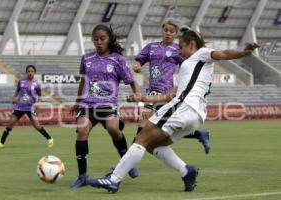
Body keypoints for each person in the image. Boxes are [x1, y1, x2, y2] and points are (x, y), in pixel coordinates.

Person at [87, 26, 260, 193]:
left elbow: (222, 54)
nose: (179, 51)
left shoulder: (202, 54)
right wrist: (143, 98)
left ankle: (114, 179)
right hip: (194, 113)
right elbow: (171, 95)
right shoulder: (191, 68)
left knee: (142, 138)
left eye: (181, 47)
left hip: (184, 107)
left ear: (192, 45)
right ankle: (186, 171)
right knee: (153, 145)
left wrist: (243, 52)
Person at [69, 24, 141, 189]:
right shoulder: (86, 58)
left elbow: (132, 81)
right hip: (87, 103)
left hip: (108, 104)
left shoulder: (118, 59)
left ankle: (127, 162)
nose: (99, 42)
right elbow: (83, 81)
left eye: (102, 39)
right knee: (82, 131)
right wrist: (77, 101)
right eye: (96, 39)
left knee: (113, 129)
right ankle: (82, 177)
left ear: (109, 40)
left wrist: (138, 99)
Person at [132, 19, 210, 154]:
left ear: (175, 34)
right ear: (162, 30)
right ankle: (198, 134)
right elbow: (141, 59)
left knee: (144, 124)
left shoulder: (177, 50)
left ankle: (129, 158)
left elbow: (190, 62)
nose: (168, 33)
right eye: (166, 30)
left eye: (172, 31)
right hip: (153, 90)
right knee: (161, 126)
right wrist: (138, 65)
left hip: (166, 91)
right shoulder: (151, 47)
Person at [0, 65, 53, 149]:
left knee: (37, 126)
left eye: (32, 71)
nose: (30, 73)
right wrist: (14, 97)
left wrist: (38, 104)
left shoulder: (37, 84)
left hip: (30, 107)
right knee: (11, 123)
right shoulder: (21, 81)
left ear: (34, 73)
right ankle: (1, 143)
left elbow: (39, 96)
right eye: (29, 71)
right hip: (19, 106)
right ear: (26, 72)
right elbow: (17, 90)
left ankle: (49, 138)